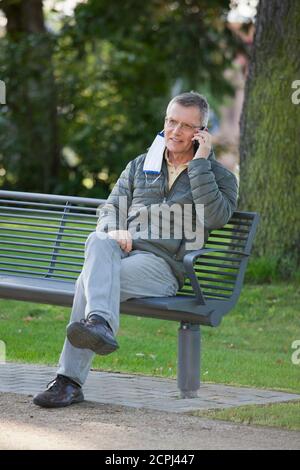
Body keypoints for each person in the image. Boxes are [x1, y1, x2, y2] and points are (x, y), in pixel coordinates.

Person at [33, 91, 238, 408]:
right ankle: (98, 324)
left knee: (87, 282)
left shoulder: (220, 177)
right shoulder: (142, 165)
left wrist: (199, 165)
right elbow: (110, 208)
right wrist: (113, 228)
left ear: (202, 133)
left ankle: (68, 381)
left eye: (186, 126)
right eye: (171, 121)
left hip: (162, 266)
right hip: (121, 253)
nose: (174, 131)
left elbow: (215, 216)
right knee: (98, 239)